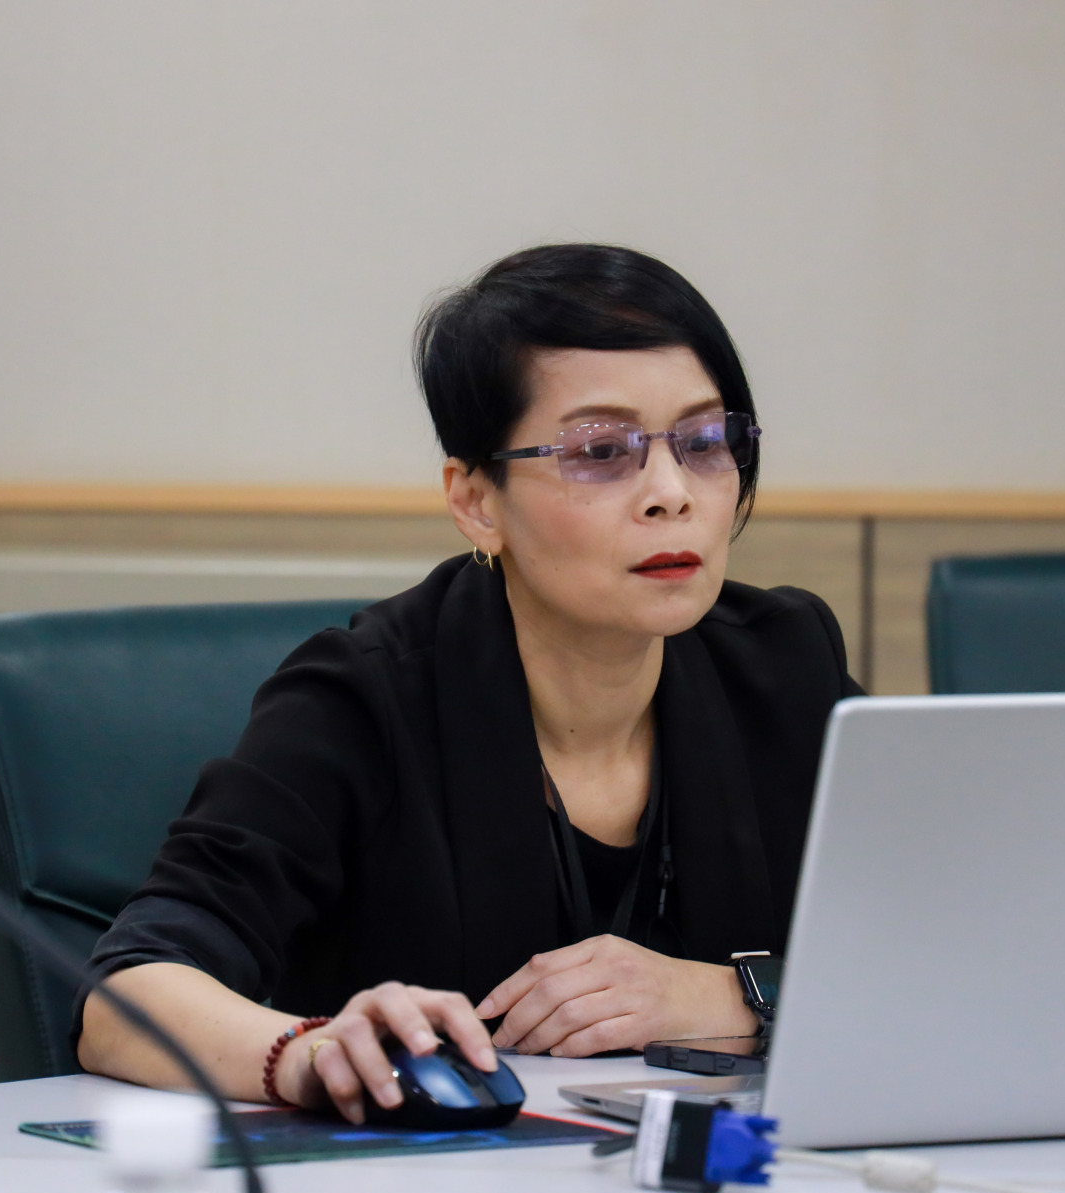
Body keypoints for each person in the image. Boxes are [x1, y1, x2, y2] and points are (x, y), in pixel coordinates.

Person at [76, 243, 863, 1123]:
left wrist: (736, 995)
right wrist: (311, 1054)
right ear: (477, 501)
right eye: (602, 451)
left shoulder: (785, 664)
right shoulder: (362, 698)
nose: (671, 493)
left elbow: (950, 945)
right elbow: (122, 998)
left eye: (705, 442)